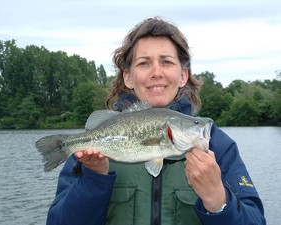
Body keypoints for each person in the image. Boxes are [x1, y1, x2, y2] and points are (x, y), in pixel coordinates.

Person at [46, 17, 266, 225]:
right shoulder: (88, 153)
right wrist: (93, 178)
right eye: (144, 63)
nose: (156, 72)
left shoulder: (219, 145)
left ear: (183, 75)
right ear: (128, 77)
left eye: (167, 62)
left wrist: (217, 198)